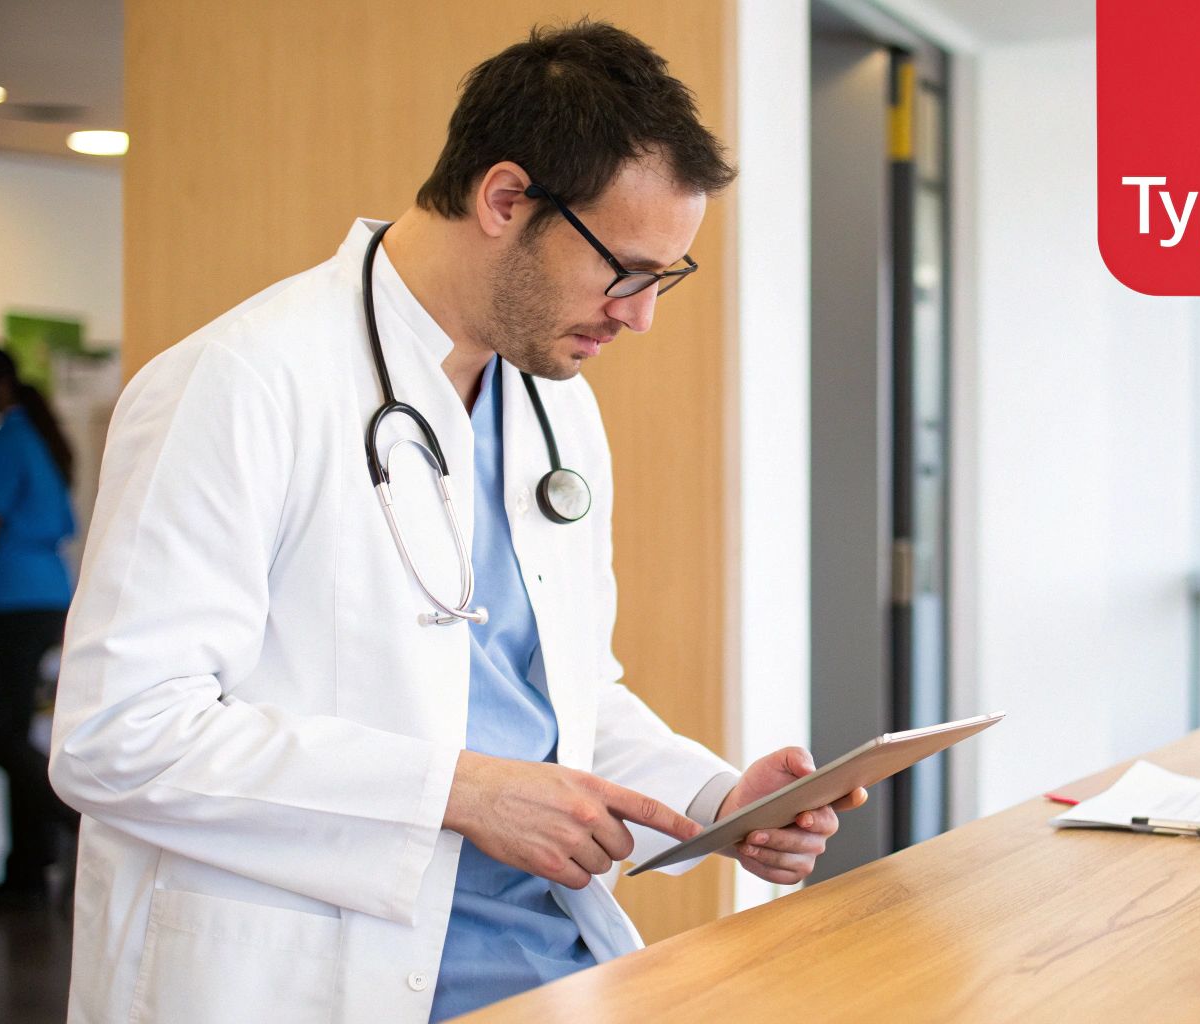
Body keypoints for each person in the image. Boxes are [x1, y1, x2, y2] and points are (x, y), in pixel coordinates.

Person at [49, 21, 865, 1023]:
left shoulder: (551, 401)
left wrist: (714, 800)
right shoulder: (242, 382)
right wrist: (455, 790)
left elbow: (559, 692)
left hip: (547, 961)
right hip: (311, 976)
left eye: (663, 278)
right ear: (505, 198)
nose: (639, 315)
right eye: (627, 270)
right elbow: (116, 733)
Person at [0, 344, 78, 906]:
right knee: (17, 730)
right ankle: (27, 874)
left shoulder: (2, 448)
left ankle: (78, 820)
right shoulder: (34, 442)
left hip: (7, 601)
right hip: (46, 598)